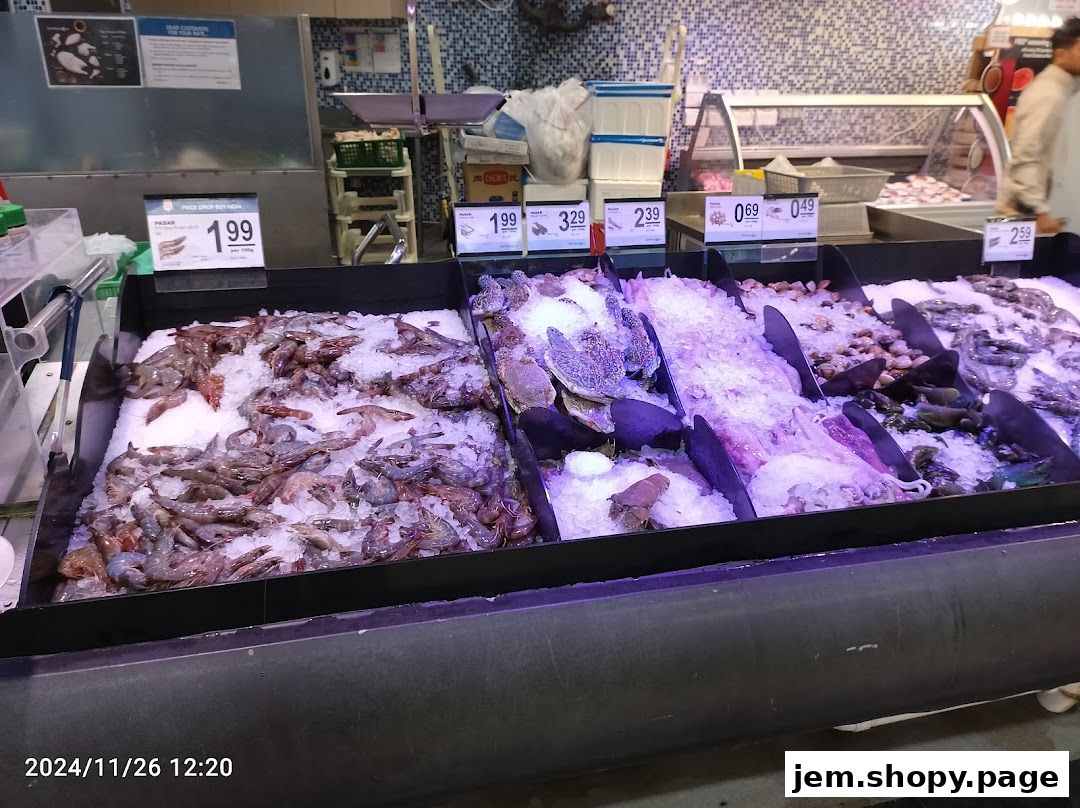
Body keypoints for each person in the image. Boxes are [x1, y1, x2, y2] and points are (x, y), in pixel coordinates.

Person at [996, 17, 1080, 234]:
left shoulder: (1065, 90)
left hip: (1038, 211)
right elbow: (1026, 155)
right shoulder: (1048, 94)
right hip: (1024, 214)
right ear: (1061, 54)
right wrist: (1040, 212)